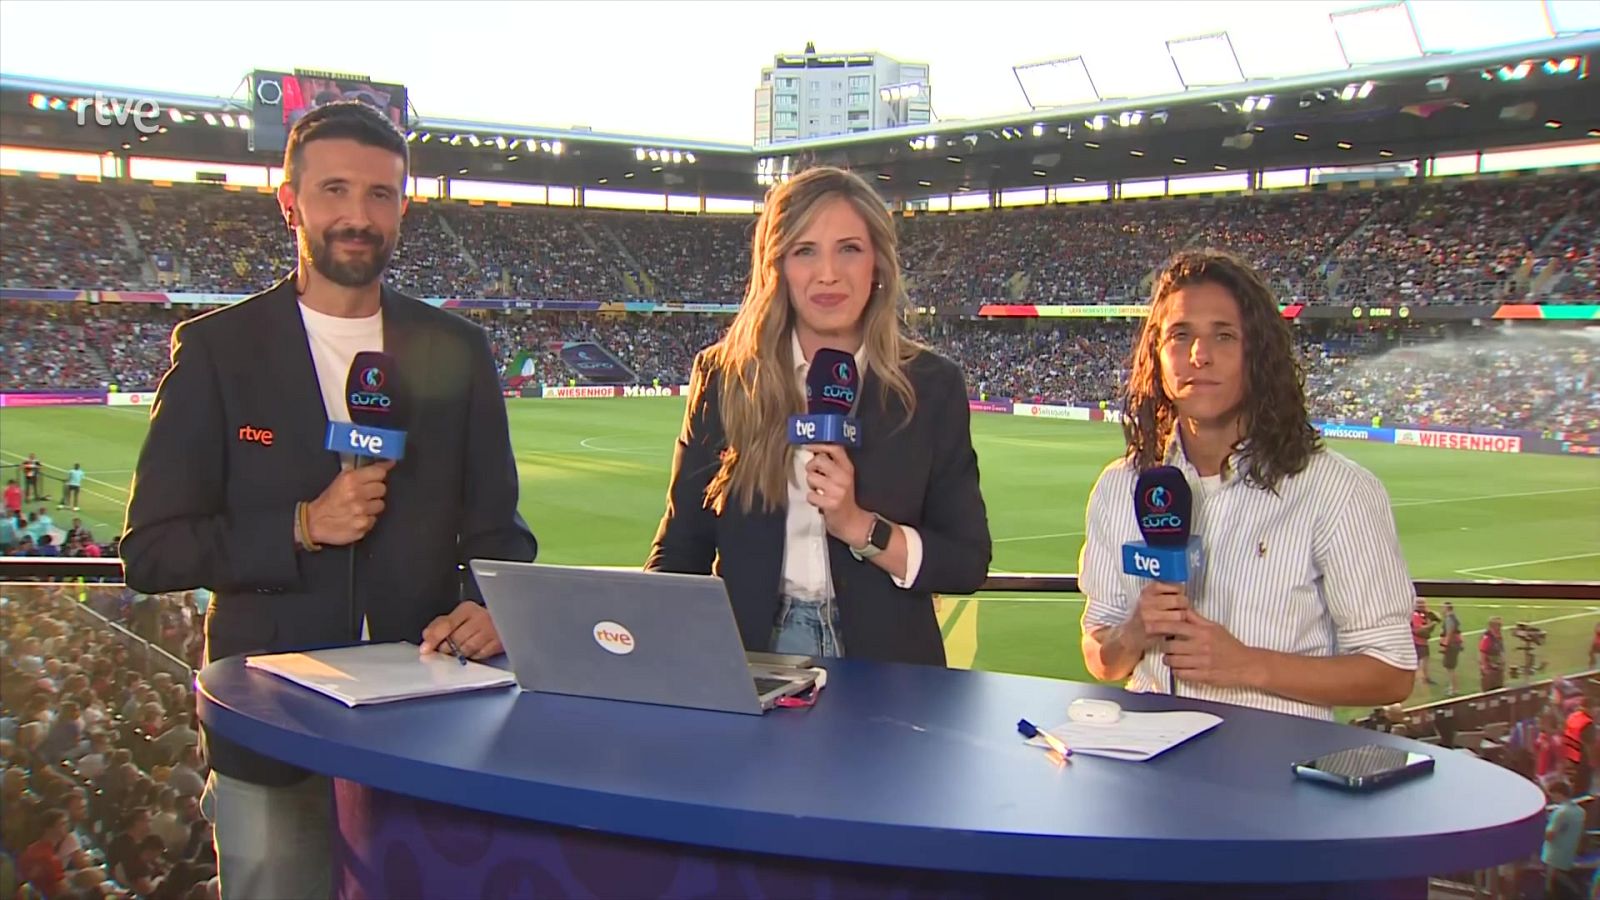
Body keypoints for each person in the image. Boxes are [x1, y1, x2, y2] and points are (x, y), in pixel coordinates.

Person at [121, 100, 538, 899]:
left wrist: (490, 602)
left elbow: (500, 533)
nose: (359, 215)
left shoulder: (455, 350)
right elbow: (151, 551)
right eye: (336, 190)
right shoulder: (219, 352)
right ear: (291, 203)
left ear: (403, 209)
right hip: (271, 724)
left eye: (381, 195)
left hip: (428, 720)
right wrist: (301, 527)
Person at [646, 165, 991, 663]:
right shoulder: (725, 376)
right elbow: (681, 549)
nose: (828, 273)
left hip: (889, 666)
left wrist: (861, 528)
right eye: (804, 250)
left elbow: (965, 560)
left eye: (849, 248)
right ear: (777, 266)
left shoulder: (931, 386)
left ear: (878, 263)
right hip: (750, 656)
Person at [1079, 249, 1416, 720]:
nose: (1200, 355)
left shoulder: (1336, 491)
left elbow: (1392, 670)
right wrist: (1134, 631)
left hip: (1277, 777)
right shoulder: (1120, 488)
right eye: (1181, 335)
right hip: (1148, 772)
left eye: (1224, 335)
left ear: (1257, 353)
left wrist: (1249, 666)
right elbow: (1101, 658)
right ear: (1157, 354)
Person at [1542, 779, 1585, 900]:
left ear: (1558, 793)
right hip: (1569, 854)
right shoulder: (1580, 812)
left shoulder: (1560, 813)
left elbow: (1550, 835)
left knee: (1551, 890)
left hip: (1553, 856)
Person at [1410, 599, 1441, 690]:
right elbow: (1419, 630)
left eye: (1423, 603)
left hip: (1423, 641)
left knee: (1425, 661)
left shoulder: (1423, 614)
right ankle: (1414, 680)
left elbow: (1438, 619)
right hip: (1416, 642)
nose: (1422, 605)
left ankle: (1426, 678)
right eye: (1419, 603)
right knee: (1417, 662)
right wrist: (1432, 624)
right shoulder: (1415, 615)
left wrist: (1431, 615)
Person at [1439, 601, 1463, 696]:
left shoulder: (1449, 619)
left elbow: (1449, 633)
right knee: (1451, 667)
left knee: (1450, 668)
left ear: (1447, 608)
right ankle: (1452, 687)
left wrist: (1444, 645)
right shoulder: (1454, 618)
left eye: (1443, 608)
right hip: (1455, 644)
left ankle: (1454, 689)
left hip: (1451, 645)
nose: (1441, 610)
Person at [1480, 618, 1506, 692]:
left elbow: (1501, 650)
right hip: (1490, 669)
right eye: (1498, 627)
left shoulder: (1499, 636)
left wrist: (1502, 662)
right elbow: (1483, 653)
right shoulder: (1487, 638)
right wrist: (1485, 667)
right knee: (1489, 690)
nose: (1500, 629)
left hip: (1498, 668)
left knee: (1499, 689)